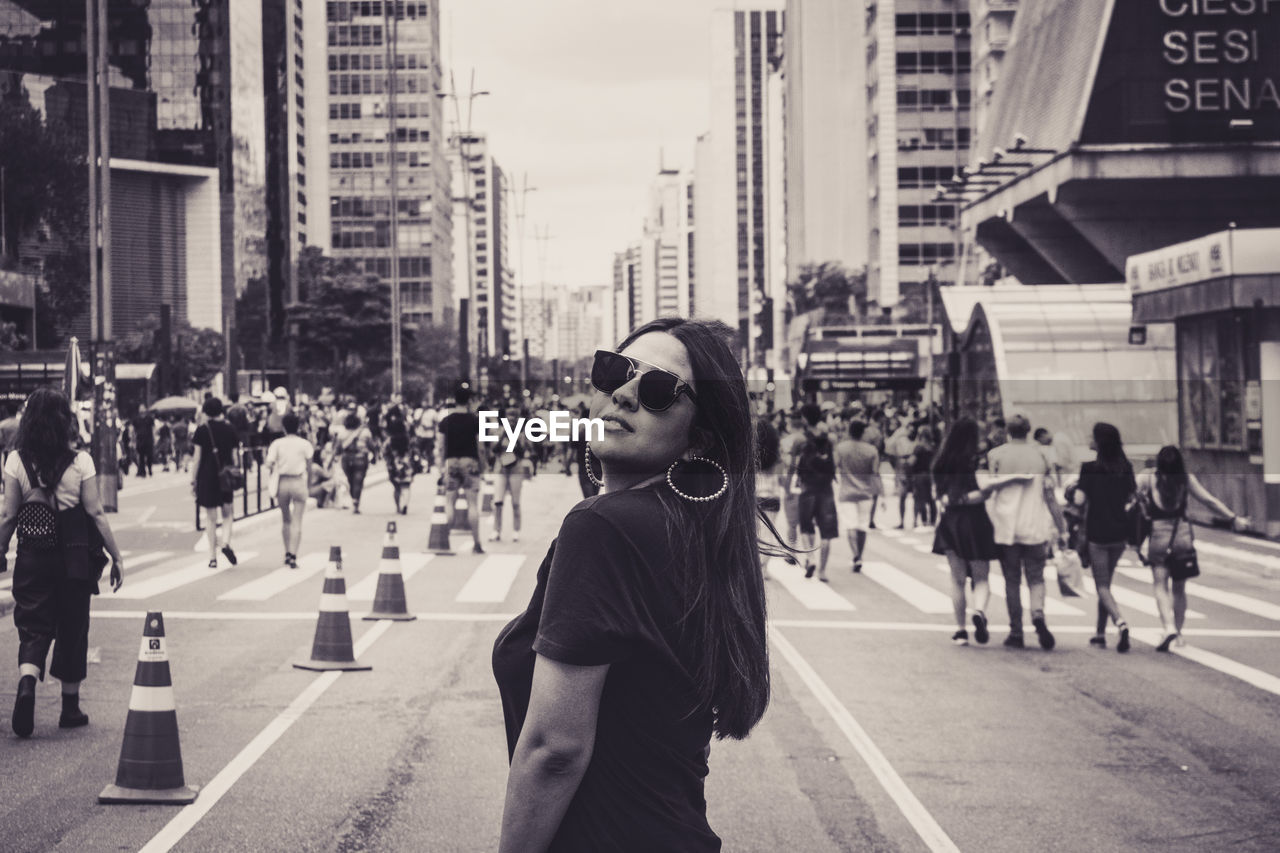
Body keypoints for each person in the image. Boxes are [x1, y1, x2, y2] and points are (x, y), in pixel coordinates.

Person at [492, 318, 770, 851]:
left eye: (659, 389)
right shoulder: (688, 529)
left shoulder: (604, 527)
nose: (623, 392)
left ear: (700, 438)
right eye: (614, 370)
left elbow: (555, 749)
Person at [0, 387, 124, 737]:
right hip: (74, 555)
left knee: (33, 625)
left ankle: (27, 683)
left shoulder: (15, 460)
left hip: (32, 554)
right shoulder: (81, 461)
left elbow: (9, 514)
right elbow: (96, 512)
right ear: (65, 420)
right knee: (73, 627)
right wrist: (116, 556)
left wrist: (0, 548)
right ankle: (70, 708)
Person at [1138, 446, 1249, 651]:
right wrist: (1234, 518)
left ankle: (1168, 627)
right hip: (1182, 536)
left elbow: (1129, 498)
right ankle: (1179, 634)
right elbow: (1208, 500)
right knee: (1179, 589)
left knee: (1160, 586)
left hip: (1158, 537)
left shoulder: (1148, 479)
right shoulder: (1185, 480)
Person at [932, 417, 1027, 646]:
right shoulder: (976, 460)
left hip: (949, 521)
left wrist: (950, 502)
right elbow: (984, 492)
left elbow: (938, 495)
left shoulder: (941, 461)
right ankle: (979, 612)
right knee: (981, 577)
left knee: (956, 580)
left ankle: (961, 630)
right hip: (975, 521)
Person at [987, 415, 1069, 650]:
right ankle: (1038, 615)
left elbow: (991, 490)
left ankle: (1016, 631)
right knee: (1036, 577)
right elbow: (1050, 495)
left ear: (1008, 432)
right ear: (1029, 431)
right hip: (1035, 526)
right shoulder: (1042, 455)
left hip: (1006, 528)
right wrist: (1061, 527)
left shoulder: (996, 455)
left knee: (1011, 580)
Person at [1072, 423, 1136, 652]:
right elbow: (1131, 496)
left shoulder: (1089, 468)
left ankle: (1120, 622)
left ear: (1099, 442)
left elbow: (1079, 501)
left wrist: (1074, 489)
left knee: (1101, 585)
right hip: (1120, 531)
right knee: (1106, 583)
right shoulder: (1125, 467)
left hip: (1097, 531)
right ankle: (1100, 633)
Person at [788, 403, 839, 582]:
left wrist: (788, 486)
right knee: (826, 531)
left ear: (804, 418)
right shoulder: (830, 438)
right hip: (826, 488)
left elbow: (793, 465)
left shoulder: (800, 439)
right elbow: (835, 462)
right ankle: (823, 571)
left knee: (806, 525)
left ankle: (810, 558)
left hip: (807, 486)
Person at [191, 397, 240, 569]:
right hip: (225, 477)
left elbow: (196, 458)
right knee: (228, 514)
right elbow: (235, 457)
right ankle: (226, 543)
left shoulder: (202, 430)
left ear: (205, 411)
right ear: (221, 411)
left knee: (211, 519)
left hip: (207, 477)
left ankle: (212, 557)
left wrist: (193, 480)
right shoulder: (230, 429)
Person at [438, 387, 487, 554]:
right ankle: (477, 543)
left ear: (455, 399)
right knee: (472, 504)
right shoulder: (475, 421)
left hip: (451, 462)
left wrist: (440, 467)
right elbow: (480, 446)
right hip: (470, 462)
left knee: (449, 501)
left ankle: (445, 541)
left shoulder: (446, 421)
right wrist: (483, 465)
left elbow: (441, 447)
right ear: (469, 401)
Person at [266, 413, 312, 569]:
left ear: (283, 427)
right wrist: (309, 484)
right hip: (299, 481)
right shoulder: (304, 444)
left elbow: (269, 463)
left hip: (282, 482)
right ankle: (293, 554)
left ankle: (286, 553)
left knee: (286, 519)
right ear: (298, 426)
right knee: (297, 520)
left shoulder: (277, 444)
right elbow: (310, 466)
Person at [834, 420, 881, 573]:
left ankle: (855, 555)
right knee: (862, 525)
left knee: (850, 526)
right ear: (863, 432)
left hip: (847, 492)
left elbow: (836, 466)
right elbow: (874, 473)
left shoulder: (841, 448)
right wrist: (879, 493)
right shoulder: (871, 450)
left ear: (849, 431)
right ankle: (860, 555)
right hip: (866, 492)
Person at [491, 408, 531, 542]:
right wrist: (503, 435)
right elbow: (494, 449)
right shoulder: (499, 431)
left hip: (515, 470)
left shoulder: (521, 433)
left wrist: (513, 438)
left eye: (514, 416)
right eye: (509, 415)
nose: (511, 418)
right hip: (500, 469)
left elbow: (522, 452)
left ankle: (516, 530)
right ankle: (496, 530)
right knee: (498, 501)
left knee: (515, 502)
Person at [333, 410, 374, 514]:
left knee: (350, 480)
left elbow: (337, 448)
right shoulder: (365, 432)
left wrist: (335, 456)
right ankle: (356, 501)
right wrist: (374, 455)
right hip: (361, 458)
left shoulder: (342, 433)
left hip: (346, 459)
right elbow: (371, 445)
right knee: (358, 481)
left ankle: (354, 498)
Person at [382, 404, 415, 516]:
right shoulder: (407, 439)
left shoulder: (389, 441)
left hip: (394, 466)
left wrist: (389, 463)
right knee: (406, 486)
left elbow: (384, 453)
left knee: (396, 488)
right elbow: (413, 450)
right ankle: (405, 504)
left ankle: (398, 507)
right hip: (406, 465)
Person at [910, 426, 938, 527]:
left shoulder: (919, 447)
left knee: (919, 498)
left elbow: (912, 461)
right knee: (930, 498)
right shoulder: (932, 447)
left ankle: (923, 520)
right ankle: (933, 520)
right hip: (930, 475)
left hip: (919, 475)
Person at [132, 405, 155, 478]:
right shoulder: (136, 419)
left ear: (145, 410)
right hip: (140, 440)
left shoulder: (149, 418)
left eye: (143, 408)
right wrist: (133, 440)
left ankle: (150, 469)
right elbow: (133, 430)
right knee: (141, 457)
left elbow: (153, 428)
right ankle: (143, 472)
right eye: (140, 409)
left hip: (149, 440)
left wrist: (154, 438)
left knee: (149, 456)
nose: (142, 410)